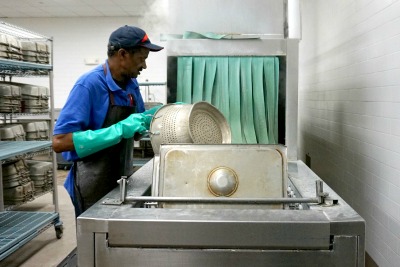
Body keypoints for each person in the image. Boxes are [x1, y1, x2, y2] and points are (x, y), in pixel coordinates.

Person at [52, 25, 163, 217]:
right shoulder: (89, 85)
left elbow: (136, 129)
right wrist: (118, 130)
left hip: (121, 178)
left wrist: (158, 115)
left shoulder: (131, 84)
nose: (144, 66)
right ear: (123, 54)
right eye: (141, 59)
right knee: (96, 241)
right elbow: (60, 141)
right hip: (92, 182)